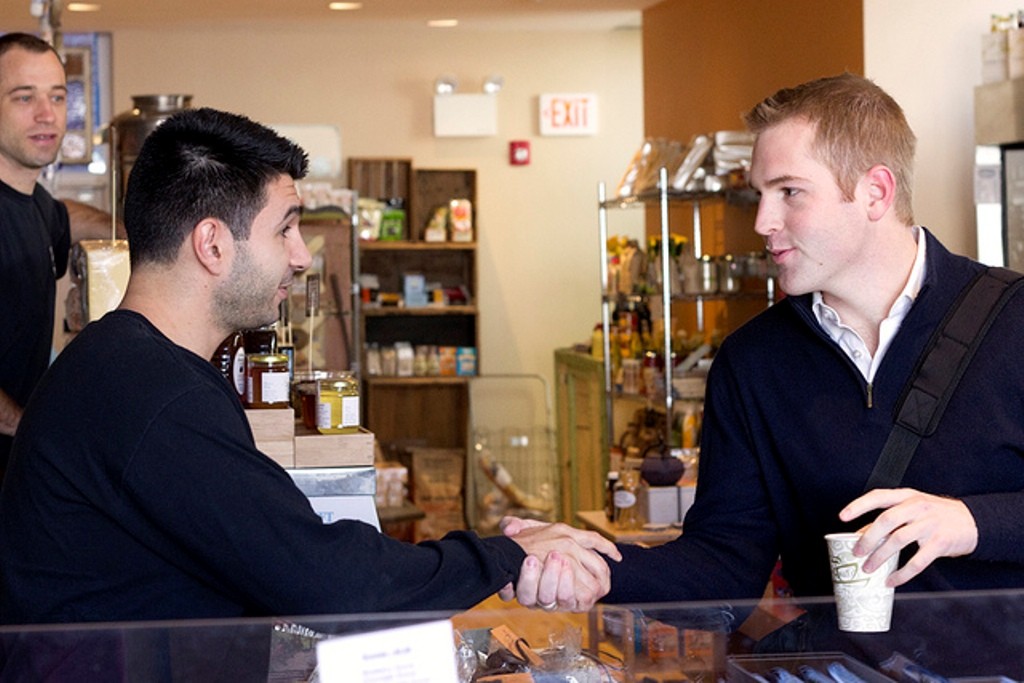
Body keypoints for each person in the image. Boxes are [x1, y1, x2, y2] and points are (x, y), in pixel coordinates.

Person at [0, 106, 620, 629]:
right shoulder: (149, 396)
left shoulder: (133, 367)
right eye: (286, 230)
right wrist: (503, 555)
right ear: (212, 244)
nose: (300, 258)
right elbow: (328, 580)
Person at [506, 73, 1024, 669]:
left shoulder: (1013, 320)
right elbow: (722, 563)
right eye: (760, 193)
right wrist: (594, 565)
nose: (762, 221)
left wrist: (970, 521)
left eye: (790, 193)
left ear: (876, 192)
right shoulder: (753, 362)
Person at [0, 32, 118, 476]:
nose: (46, 114)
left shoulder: (33, 204)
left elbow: (64, 214)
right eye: (23, 97)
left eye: (56, 96)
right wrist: (29, 425)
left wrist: (134, 230)